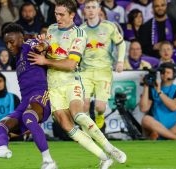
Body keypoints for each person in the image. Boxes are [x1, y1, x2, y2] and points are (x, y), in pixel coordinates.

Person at [28, 0, 126, 168]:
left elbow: (71, 64)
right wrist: (42, 45)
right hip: (53, 85)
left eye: (61, 14)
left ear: (72, 15)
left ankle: (110, 147)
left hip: (71, 81)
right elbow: (49, 48)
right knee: (66, 125)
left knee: (78, 114)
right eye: (56, 14)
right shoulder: (51, 29)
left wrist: (44, 61)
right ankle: (104, 157)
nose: (57, 17)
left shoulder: (79, 34)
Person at [0, 23, 57, 169]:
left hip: (41, 94)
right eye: (6, 43)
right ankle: (3, 149)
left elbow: (45, 43)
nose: (9, 46)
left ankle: (49, 162)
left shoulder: (29, 44)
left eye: (12, 42)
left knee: (28, 117)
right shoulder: (17, 59)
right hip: (25, 101)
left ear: (21, 38)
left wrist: (44, 45)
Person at [80, 0, 125, 130]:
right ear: (84, 10)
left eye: (93, 7)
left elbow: (121, 43)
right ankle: (88, 131)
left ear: (99, 10)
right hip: (85, 71)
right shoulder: (80, 30)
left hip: (104, 71)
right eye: (87, 7)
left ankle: (100, 116)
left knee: (100, 107)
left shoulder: (109, 27)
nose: (90, 10)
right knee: (84, 105)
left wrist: (120, 61)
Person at [139, 62, 176, 140]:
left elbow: (174, 107)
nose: (164, 74)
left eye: (168, 72)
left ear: (174, 75)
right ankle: (175, 138)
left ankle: (163, 136)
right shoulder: (152, 89)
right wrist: (146, 86)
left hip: (174, 128)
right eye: (162, 72)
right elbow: (144, 108)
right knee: (146, 119)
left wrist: (159, 92)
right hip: (156, 127)